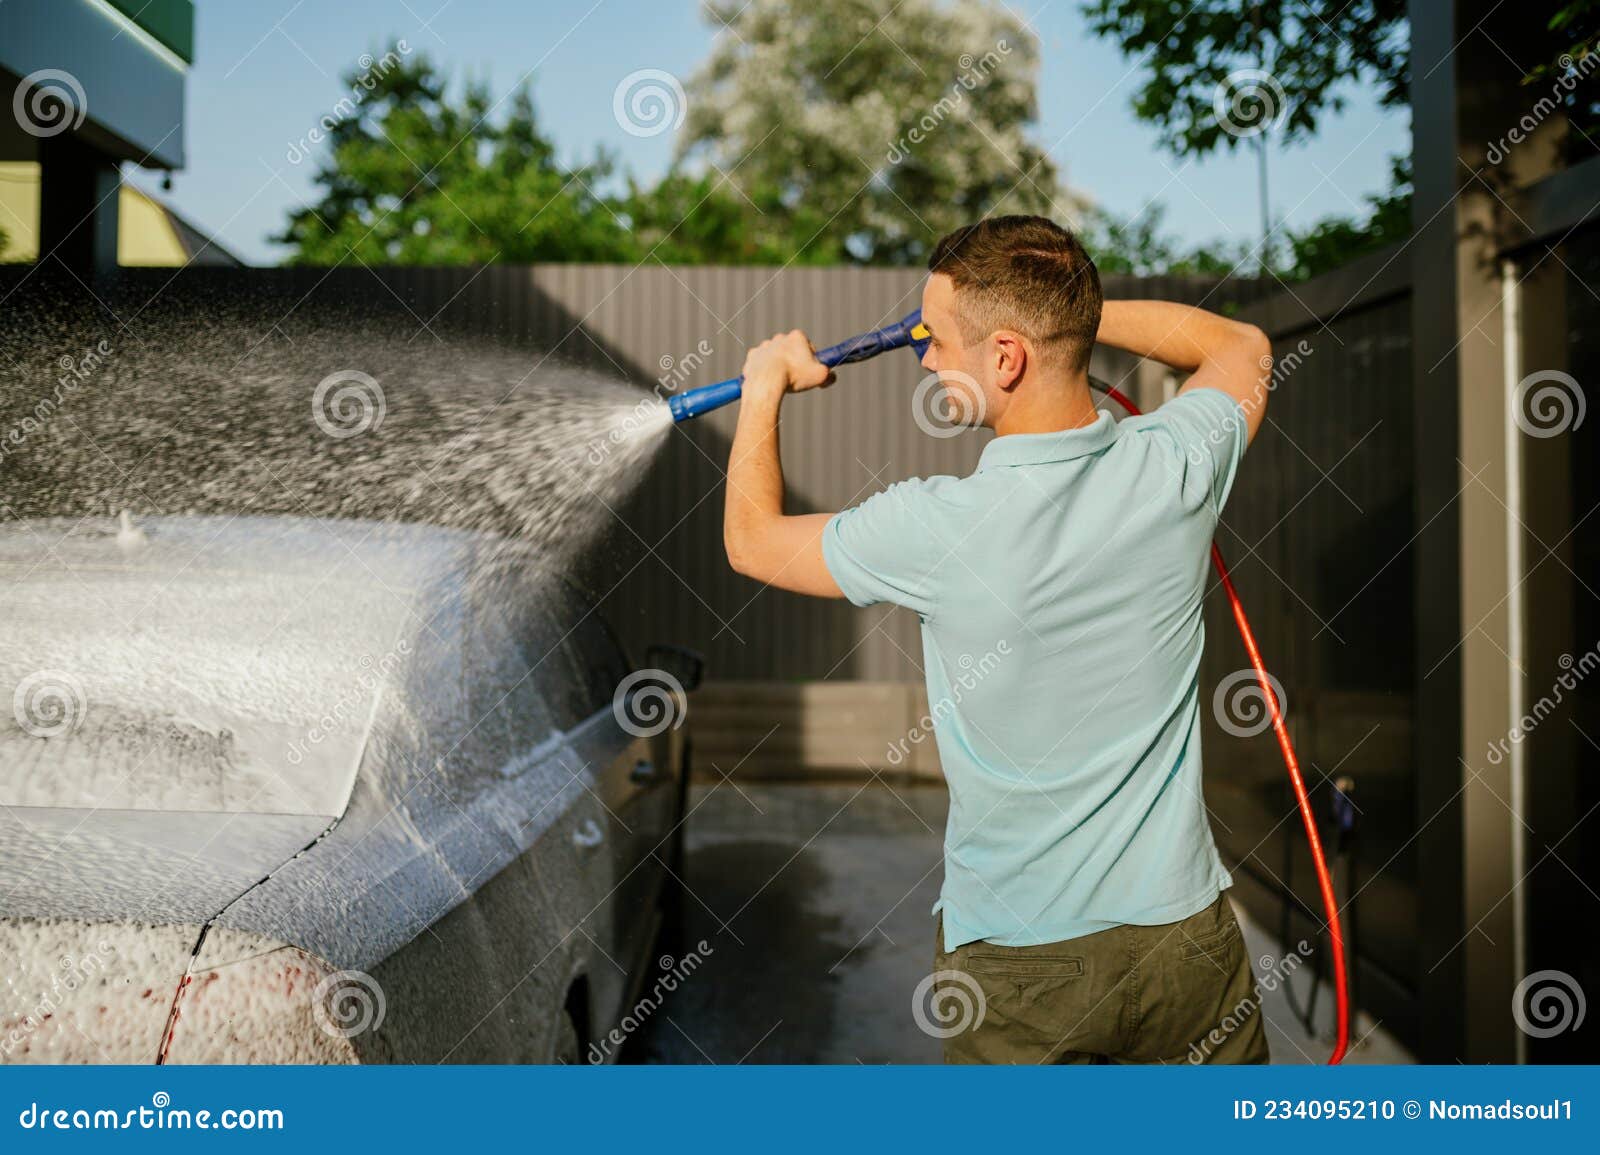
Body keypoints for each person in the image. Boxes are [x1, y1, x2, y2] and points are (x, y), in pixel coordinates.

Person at [721, 214, 1272, 1064]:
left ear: (1006, 358)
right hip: (1188, 945)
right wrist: (1070, 319)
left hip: (1022, 969)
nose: (928, 357)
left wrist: (765, 386)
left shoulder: (933, 527)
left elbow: (751, 540)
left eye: (937, 341)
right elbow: (1237, 344)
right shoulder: (1174, 467)